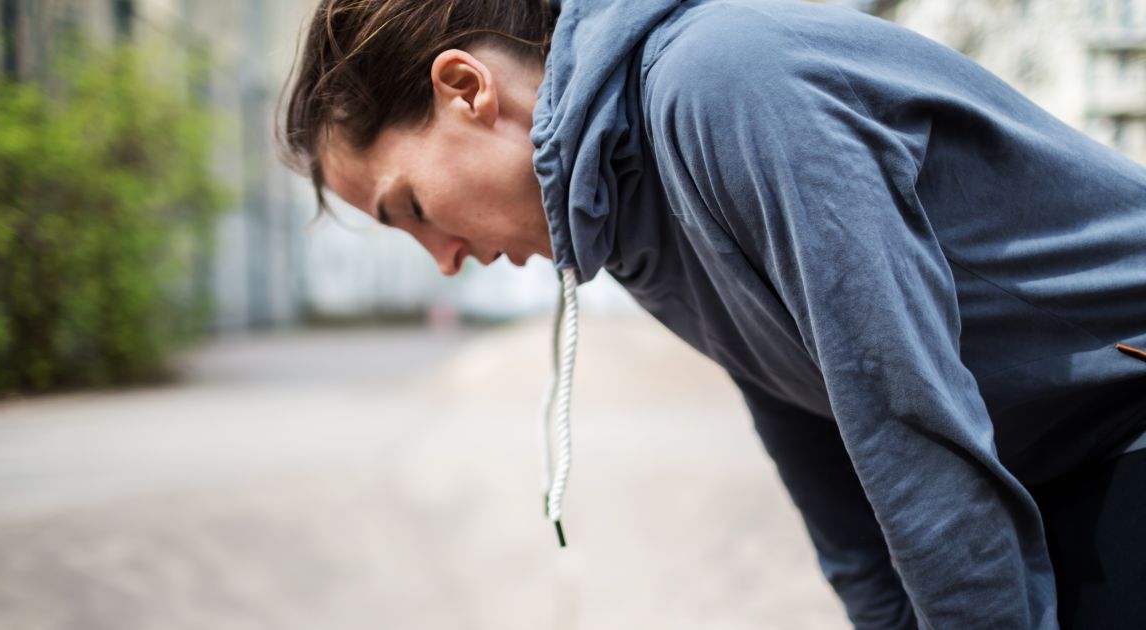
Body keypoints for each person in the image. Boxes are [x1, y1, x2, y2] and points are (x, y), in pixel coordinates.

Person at [279, 0, 1146, 628]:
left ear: (466, 88)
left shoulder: (724, 83)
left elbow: (906, 419)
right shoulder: (618, 205)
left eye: (412, 208)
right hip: (1051, 460)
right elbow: (809, 419)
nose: (443, 260)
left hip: (1119, 413)